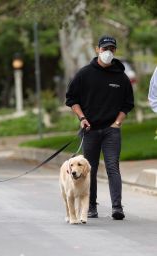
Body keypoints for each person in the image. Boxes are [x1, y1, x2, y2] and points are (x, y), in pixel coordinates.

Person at [65, 35, 134, 220]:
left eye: (111, 49)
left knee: (113, 167)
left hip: (112, 130)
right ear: (97, 50)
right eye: (105, 49)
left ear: (115, 51)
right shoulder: (84, 74)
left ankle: (117, 208)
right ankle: (91, 206)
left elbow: (128, 104)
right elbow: (71, 99)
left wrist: (117, 122)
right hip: (90, 129)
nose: (108, 52)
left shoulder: (121, 77)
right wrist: (82, 117)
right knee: (90, 169)